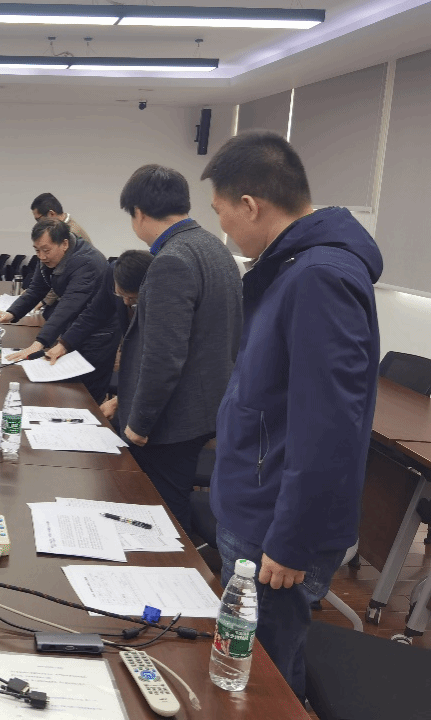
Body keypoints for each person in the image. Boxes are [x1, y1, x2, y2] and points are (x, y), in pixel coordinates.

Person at [201, 131, 382, 700]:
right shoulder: (293, 267)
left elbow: (329, 426)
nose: (222, 226)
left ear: (250, 205)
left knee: (264, 682)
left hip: (273, 527)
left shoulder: (318, 277)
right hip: (257, 502)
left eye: (222, 213)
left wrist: (292, 539)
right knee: (246, 666)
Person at [116, 164, 242, 535]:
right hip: (207, 406)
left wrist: (139, 423)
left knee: (161, 514)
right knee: (172, 503)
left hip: (173, 419)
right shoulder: (215, 247)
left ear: (139, 213)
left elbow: (164, 357)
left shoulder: (171, 260)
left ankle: (172, 568)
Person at [0, 219, 113, 397]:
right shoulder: (49, 258)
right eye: (37, 250)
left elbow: (68, 305)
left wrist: (39, 343)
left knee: (85, 393)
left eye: (46, 250)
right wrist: (11, 313)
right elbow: (36, 289)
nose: (42, 256)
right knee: (62, 390)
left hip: (97, 333)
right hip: (74, 328)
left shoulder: (87, 262)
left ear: (64, 244)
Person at [48, 249, 154, 408]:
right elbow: (95, 313)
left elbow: (154, 364)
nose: (125, 302)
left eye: (132, 298)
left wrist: (118, 401)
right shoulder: (113, 272)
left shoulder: (159, 297)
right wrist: (64, 344)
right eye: (120, 295)